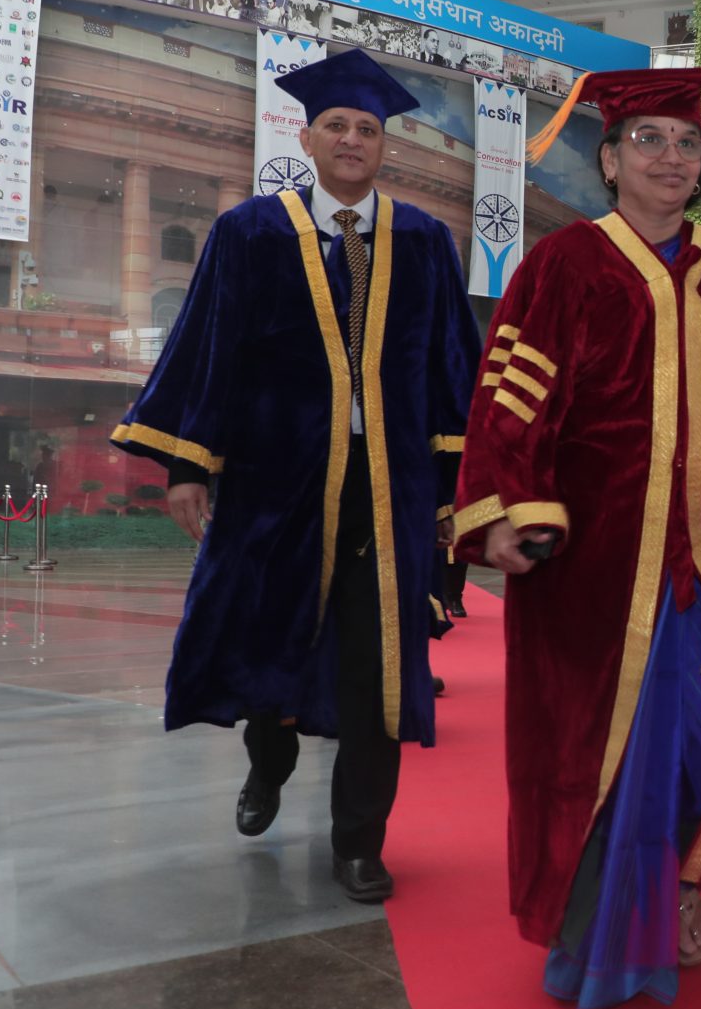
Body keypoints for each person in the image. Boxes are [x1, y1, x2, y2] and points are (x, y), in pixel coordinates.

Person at [452, 66, 701, 1009]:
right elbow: (511, 398)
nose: (672, 157)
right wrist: (507, 509)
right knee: (593, 745)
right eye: (650, 141)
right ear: (611, 161)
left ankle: (680, 883)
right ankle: (599, 923)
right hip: (593, 564)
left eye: (687, 143)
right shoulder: (565, 265)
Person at [111, 47, 479, 904]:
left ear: (385, 145)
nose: (353, 139)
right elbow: (208, 349)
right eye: (337, 126)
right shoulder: (248, 234)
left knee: (379, 666)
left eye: (368, 129)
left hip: (388, 488)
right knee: (269, 641)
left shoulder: (425, 242)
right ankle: (268, 760)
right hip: (276, 482)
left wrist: (456, 486)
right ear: (306, 138)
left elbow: (452, 369)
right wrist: (188, 463)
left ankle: (359, 841)